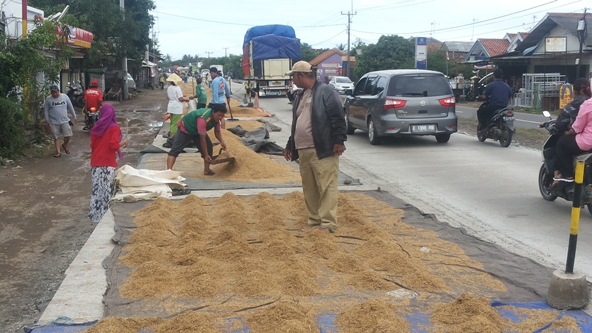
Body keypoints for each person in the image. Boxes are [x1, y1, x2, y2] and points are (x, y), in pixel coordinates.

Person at [283, 60, 347, 233]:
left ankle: (327, 224)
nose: (292, 80)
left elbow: (338, 118)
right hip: (303, 150)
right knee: (310, 188)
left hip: (322, 148)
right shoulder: (300, 96)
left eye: (293, 76)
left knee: (326, 187)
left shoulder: (326, 92)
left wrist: (339, 141)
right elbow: (297, 123)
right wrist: (290, 145)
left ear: (301, 75)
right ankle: (313, 221)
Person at [543, 78, 591, 179]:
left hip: (585, 140)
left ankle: (567, 176)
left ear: (575, 91)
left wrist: (566, 132)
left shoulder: (579, 105)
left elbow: (573, 127)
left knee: (561, 143)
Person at [88, 103, 128, 222]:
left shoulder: (97, 126)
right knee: (107, 192)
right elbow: (113, 145)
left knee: (97, 190)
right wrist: (124, 143)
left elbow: (92, 145)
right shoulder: (114, 127)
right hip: (107, 164)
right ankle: (105, 218)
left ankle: (95, 216)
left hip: (96, 163)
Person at [166, 105, 228, 176]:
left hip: (197, 131)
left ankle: (207, 170)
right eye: (219, 115)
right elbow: (202, 139)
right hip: (186, 128)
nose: (220, 117)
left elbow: (217, 132)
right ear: (213, 112)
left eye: (222, 116)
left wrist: (222, 142)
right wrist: (205, 155)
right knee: (175, 149)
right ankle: (168, 171)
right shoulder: (203, 119)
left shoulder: (217, 120)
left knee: (209, 147)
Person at [553, 98, 592, 185]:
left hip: (588, 141)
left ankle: (567, 175)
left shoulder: (587, 104)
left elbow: (577, 127)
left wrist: (568, 132)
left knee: (562, 143)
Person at [44, 85, 77, 158]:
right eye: (53, 93)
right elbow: (46, 110)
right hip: (53, 121)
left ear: (58, 91)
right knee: (56, 137)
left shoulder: (64, 97)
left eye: (55, 92)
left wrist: (74, 116)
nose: (54, 94)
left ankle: (65, 145)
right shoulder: (48, 99)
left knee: (68, 135)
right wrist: (47, 120)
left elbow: (70, 106)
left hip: (64, 120)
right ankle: (58, 152)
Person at [163, 75, 192, 145]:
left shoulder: (169, 88)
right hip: (176, 107)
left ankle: (171, 136)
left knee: (172, 122)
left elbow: (168, 97)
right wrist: (187, 99)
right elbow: (180, 99)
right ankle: (173, 139)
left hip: (171, 106)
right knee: (175, 124)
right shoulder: (177, 88)